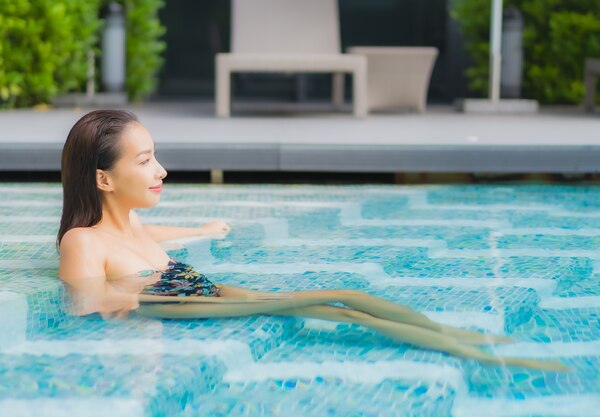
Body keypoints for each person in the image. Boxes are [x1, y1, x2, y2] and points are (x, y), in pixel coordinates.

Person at [57, 110, 567, 372]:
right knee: (333, 299)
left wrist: (202, 230)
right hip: (161, 300)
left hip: (183, 287)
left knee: (344, 300)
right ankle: (482, 354)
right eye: (144, 160)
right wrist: (124, 298)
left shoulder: (135, 229)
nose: (161, 170)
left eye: (155, 155)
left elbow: (151, 235)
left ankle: (471, 341)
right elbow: (79, 301)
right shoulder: (83, 241)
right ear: (103, 179)